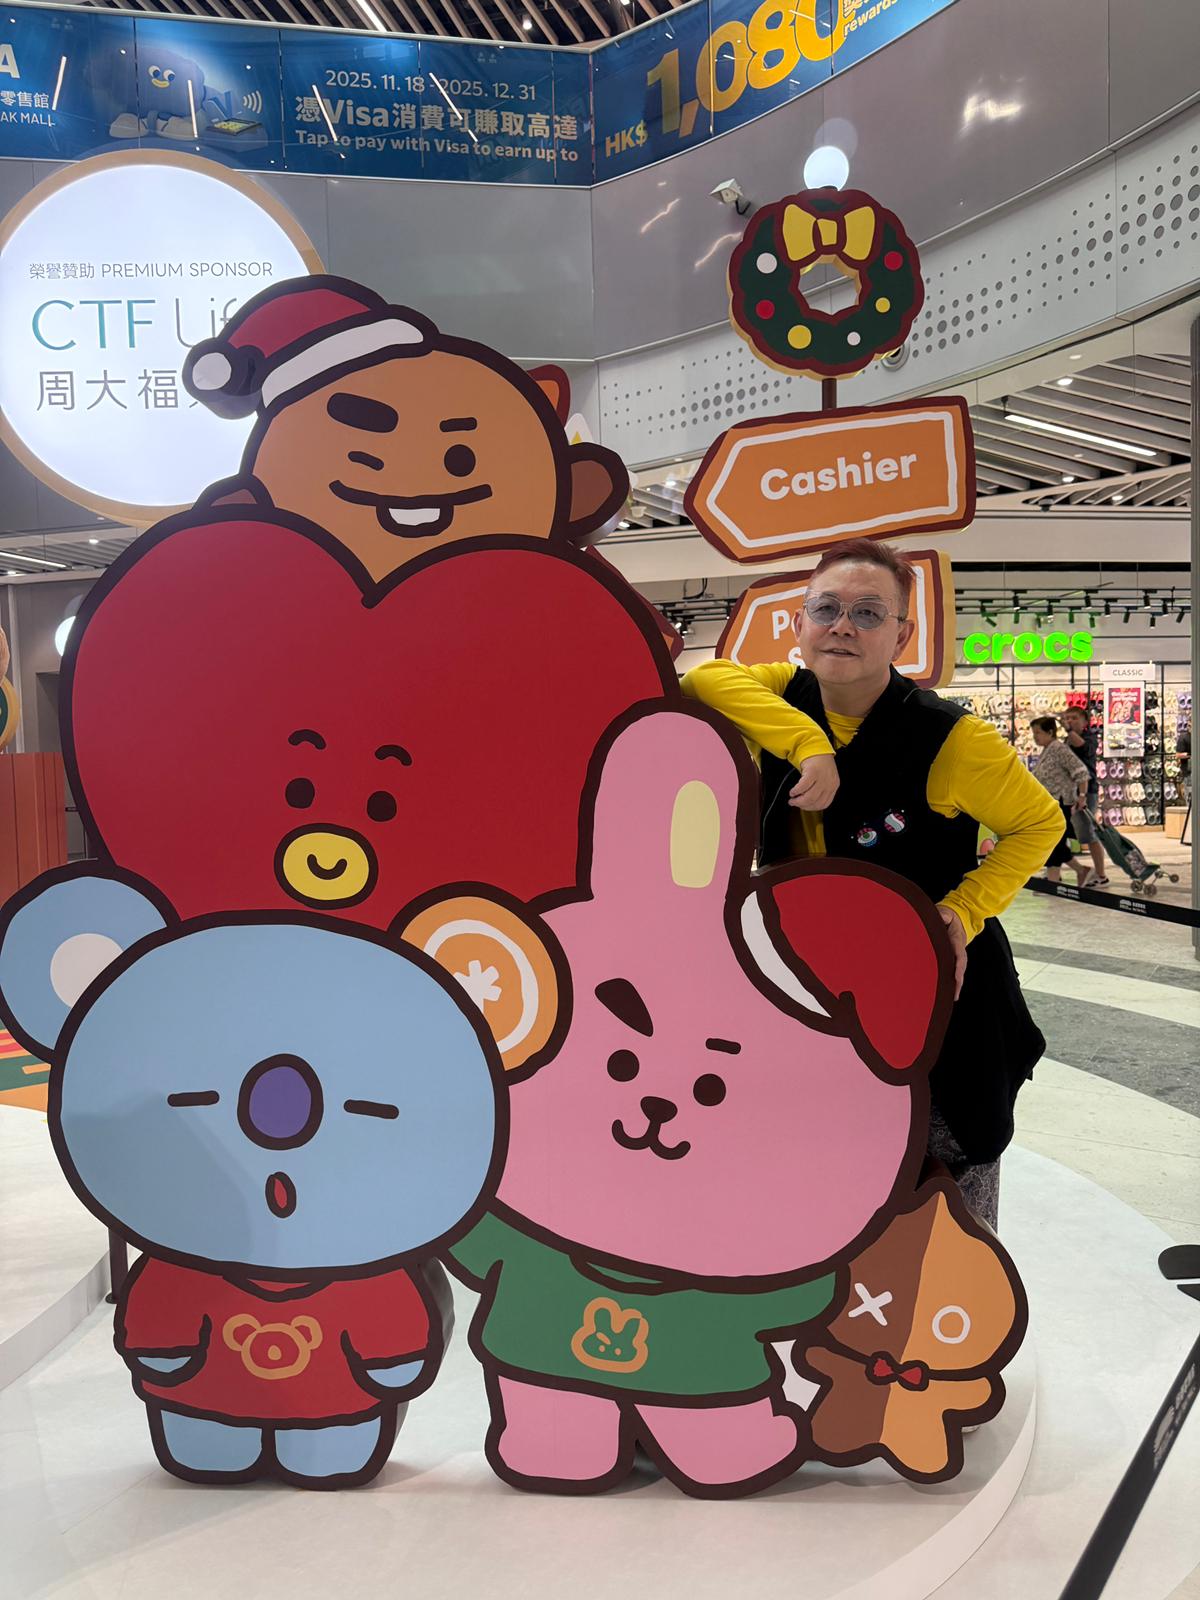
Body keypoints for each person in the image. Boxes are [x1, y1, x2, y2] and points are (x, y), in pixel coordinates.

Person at [682, 539, 1064, 1230]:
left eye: (867, 612)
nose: (843, 627)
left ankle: (949, 1294)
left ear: (902, 636)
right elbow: (705, 680)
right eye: (825, 608)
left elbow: (1040, 823)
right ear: (800, 623)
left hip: (937, 997)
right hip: (815, 987)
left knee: (943, 1191)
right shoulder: (780, 694)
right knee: (825, 1185)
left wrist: (963, 911)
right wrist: (809, 745)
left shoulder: (952, 739)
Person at [1028, 717, 1093, 888]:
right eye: (1034, 733)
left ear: (1050, 732)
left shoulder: (1058, 749)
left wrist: (1082, 796)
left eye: (1038, 733)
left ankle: (1057, 879)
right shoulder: (1047, 750)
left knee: (1053, 842)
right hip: (1049, 804)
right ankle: (1073, 873)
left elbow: (1081, 772)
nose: (1035, 737)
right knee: (1054, 842)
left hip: (1060, 802)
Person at [1062, 704, 1109, 886]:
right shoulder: (1067, 740)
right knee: (1060, 833)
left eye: (1074, 718)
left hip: (1085, 793)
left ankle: (1101, 875)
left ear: (1085, 722)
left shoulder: (1090, 738)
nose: (1070, 721)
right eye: (1068, 718)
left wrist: (1068, 731)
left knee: (1088, 834)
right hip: (1067, 793)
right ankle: (1054, 871)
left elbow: (1082, 747)